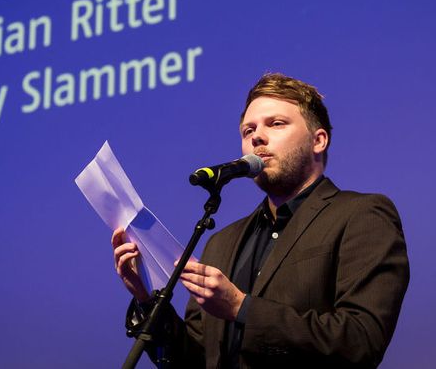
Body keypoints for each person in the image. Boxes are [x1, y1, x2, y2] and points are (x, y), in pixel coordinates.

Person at [112, 73, 409, 368]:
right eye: (248, 130)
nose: (256, 137)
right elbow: (195, 361)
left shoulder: (361, 215)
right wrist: (145, 298)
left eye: (276, 123)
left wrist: (241, 308)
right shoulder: (221, 243)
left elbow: (361, 341)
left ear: (318, 141)